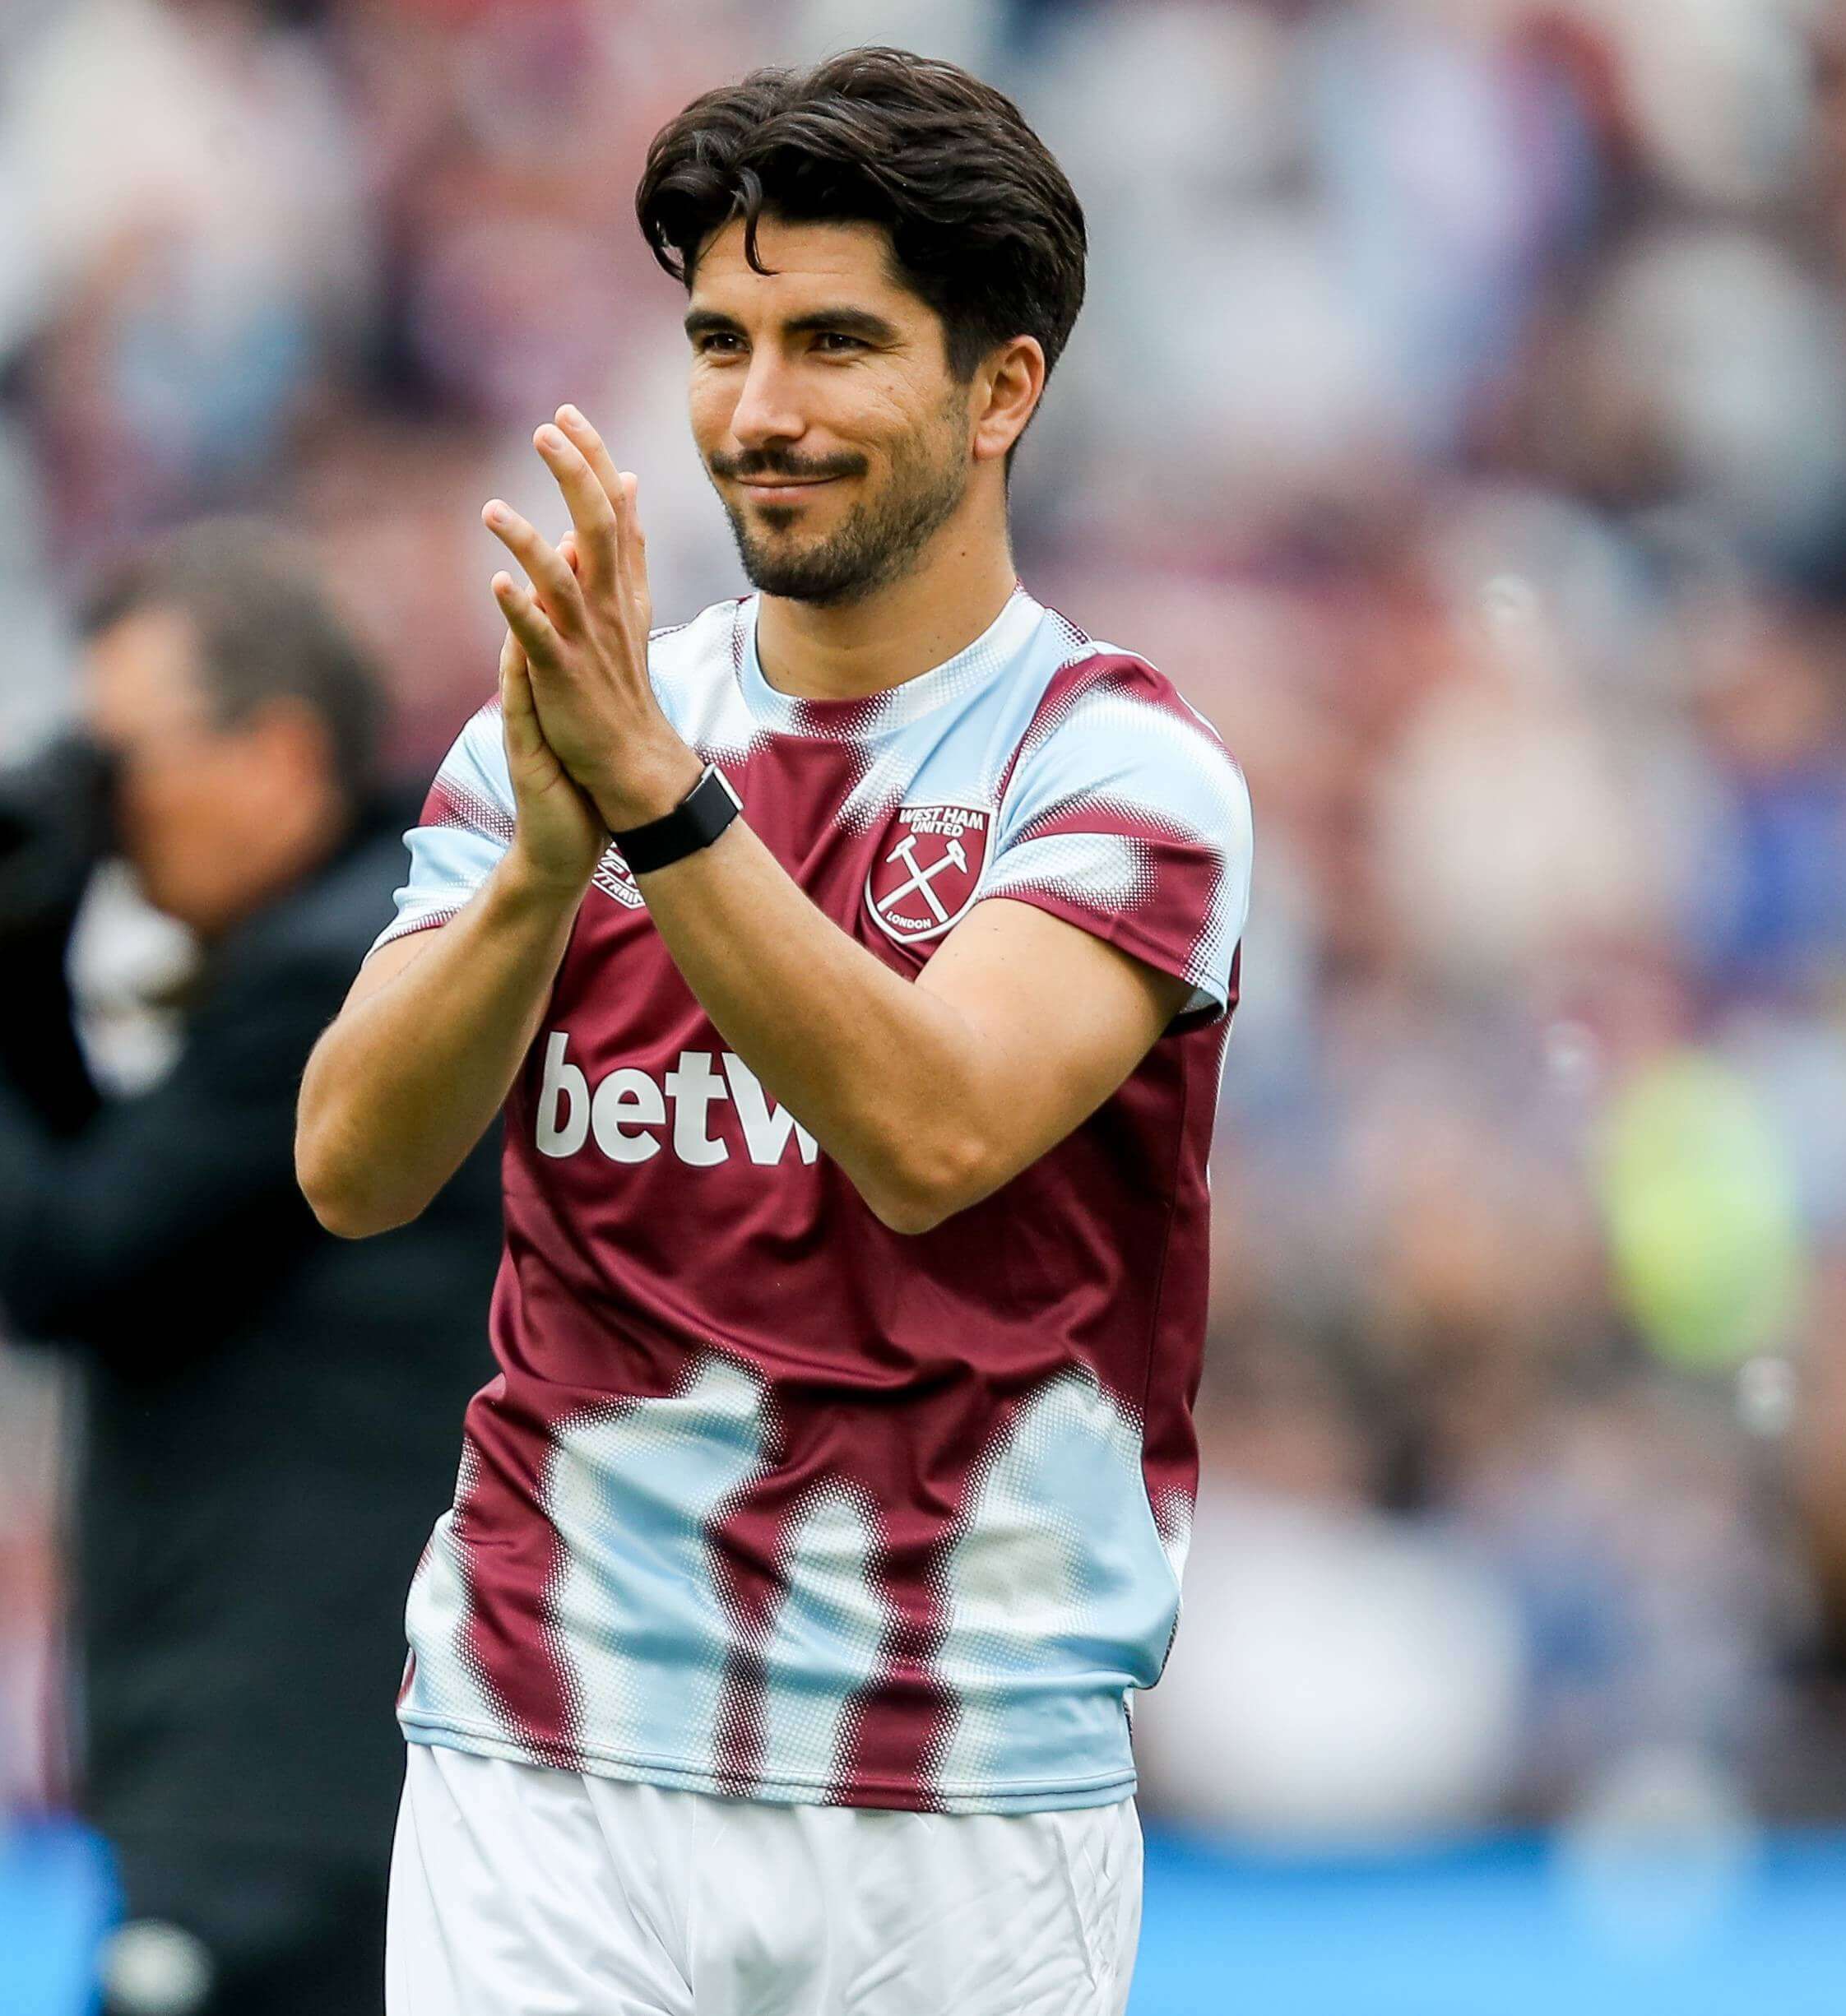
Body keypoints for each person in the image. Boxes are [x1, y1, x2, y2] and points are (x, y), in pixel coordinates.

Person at [296, 45, 1256, 2016]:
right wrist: (540, 874)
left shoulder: (1123, 769)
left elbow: (930, 1125)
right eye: (721, 340)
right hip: (544, 1746)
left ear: (1002, 388)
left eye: (834, 342)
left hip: (961, 1783)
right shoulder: (557, 739)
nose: (759, 409)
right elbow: (351, 1164)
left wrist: (659, 809)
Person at [0, 525, 502, 2016]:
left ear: (277, 754)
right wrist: (8, 950)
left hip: (288, 1787)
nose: (105, 813)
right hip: (326, 1770)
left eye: (122, 764)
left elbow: (54, 1259)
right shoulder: (369, 945)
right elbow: (114, 1221)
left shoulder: (342, 980)